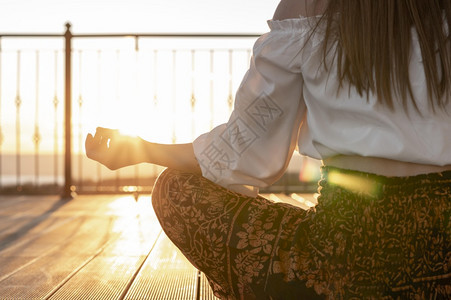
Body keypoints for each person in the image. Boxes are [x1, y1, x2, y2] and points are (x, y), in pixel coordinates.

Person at [85, 0, 451, 298]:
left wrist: (143, 150)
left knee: (175, 190)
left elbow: (242, 154)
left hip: (338, 268)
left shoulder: (305, 11)